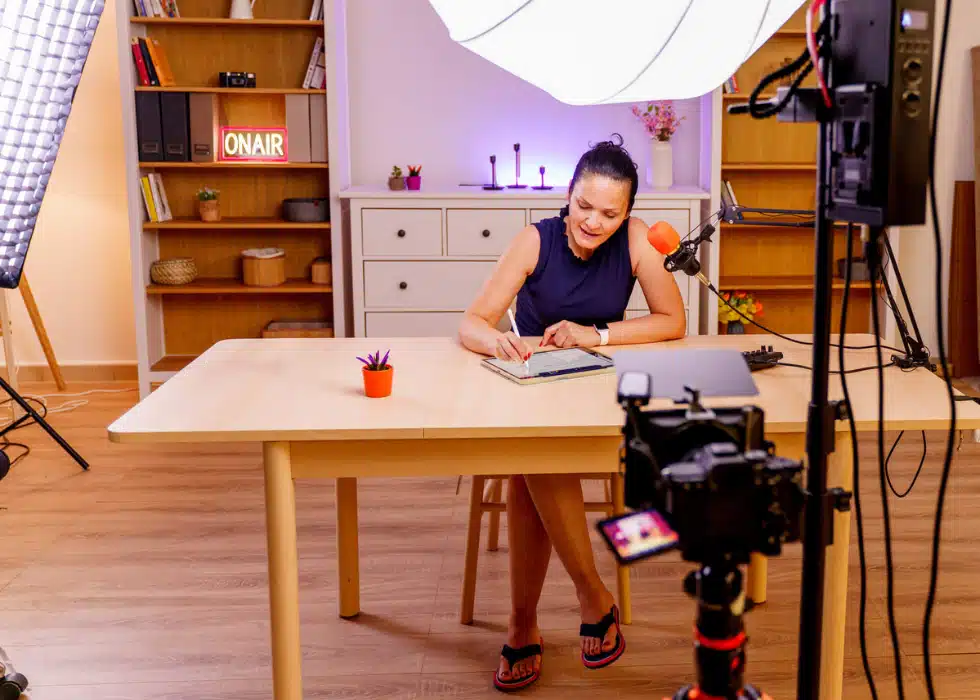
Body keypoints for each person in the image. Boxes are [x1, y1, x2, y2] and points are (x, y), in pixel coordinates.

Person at [457, 134, 688, 691]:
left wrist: (597, 335)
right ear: (569, 194)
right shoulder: (536, 240)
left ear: (628, 211)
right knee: (533, 456)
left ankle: (523, 625)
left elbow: (671, 320)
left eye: (610, 212)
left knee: (529, 465)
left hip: (594, 388)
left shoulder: (636, 240)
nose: (592, 221)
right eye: (583, 206)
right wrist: (500, 344)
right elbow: (472, 323)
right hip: (532, 386)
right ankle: (591, 596)